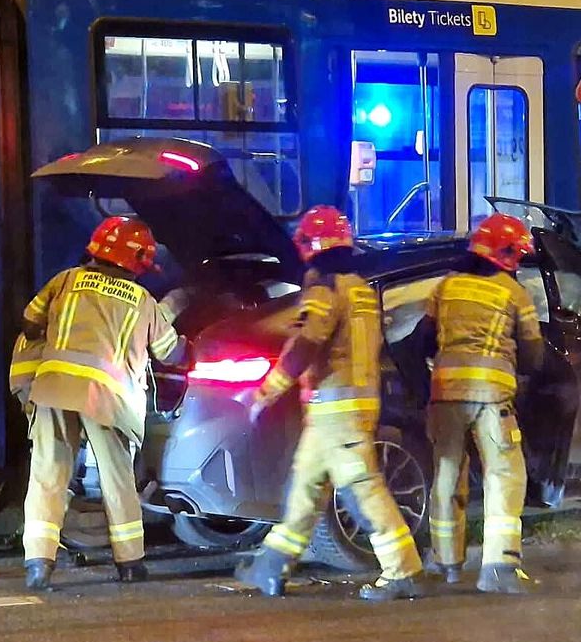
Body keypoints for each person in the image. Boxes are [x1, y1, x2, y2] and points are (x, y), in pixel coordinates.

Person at [233, 206, 426, 601]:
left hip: (339, 409)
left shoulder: (324, 289)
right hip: (337, 408)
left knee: (361, 488)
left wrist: (268, 391)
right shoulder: (360, 288)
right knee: (304, 486)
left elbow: (307, 343)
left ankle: (402, 569)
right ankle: (272, 565)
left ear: (309, 245)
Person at [10, 216, 190, 590]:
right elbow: (170, 353)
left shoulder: (65, 280)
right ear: (137, 260)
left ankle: (38, 565)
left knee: (48, 474)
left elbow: (30, 322)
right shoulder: (142, 300)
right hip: (108, 398)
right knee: (117, 479)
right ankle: (130, 564)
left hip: (55, 387)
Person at [416, 213, 544, 594]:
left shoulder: (446, 287)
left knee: (446, 476)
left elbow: (421, 341)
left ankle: (446, 564)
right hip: (492, 399)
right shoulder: (513, 293)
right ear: (505, 254)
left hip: (445, 397)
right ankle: (499, 568)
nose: (518, 261)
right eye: (516, 255)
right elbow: (534, 356)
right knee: (505, 475)